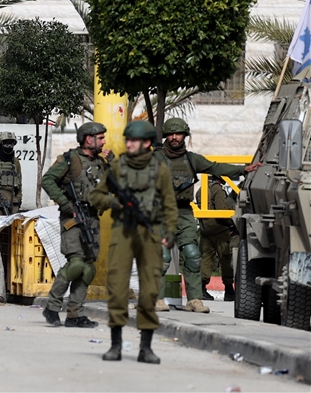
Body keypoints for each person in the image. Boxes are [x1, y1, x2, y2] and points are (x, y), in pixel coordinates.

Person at [90, 120, 177, 364]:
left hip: (150, 232)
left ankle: (145, 348)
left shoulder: (159, 169)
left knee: (150, 289)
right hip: (123, 232)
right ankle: (115, 345)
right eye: (127, 140)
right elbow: (96, 195)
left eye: (133, 141)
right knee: (117, 287)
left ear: (147, 143)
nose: (128, 144)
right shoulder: (117, 167)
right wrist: (114, 202)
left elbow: (169, 204)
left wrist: (170, 232)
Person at [153, 117, 261, 313]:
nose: (175, 137)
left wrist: (243, 169)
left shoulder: (192, 159)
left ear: (185, 135)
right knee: (162, 256)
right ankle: (156, 299)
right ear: (166, 136)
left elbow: (216, 168)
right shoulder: (155, 158)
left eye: (178, 134)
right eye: (171, 134)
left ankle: (194, 299)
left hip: (184, 212)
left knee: (193, 255)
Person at [41, 122, 113, 328]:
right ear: (88, 139)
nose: (104, 142)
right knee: (76, 264)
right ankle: (52, 306)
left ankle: (75, 314)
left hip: (92, 218)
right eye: (100, 138)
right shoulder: (69, 159)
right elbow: (47, 180)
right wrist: (65, 203)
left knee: (88, 268)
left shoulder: (101, 163)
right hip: (72, 218)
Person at [196, 175, 238, 301]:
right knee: (225, 258)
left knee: (206, 259)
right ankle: (229, 290)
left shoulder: (202, 189)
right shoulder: (218, 189)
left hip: (205, 229)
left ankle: (201, 288)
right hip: (219, 229)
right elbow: (222, 211)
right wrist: (232, 224)